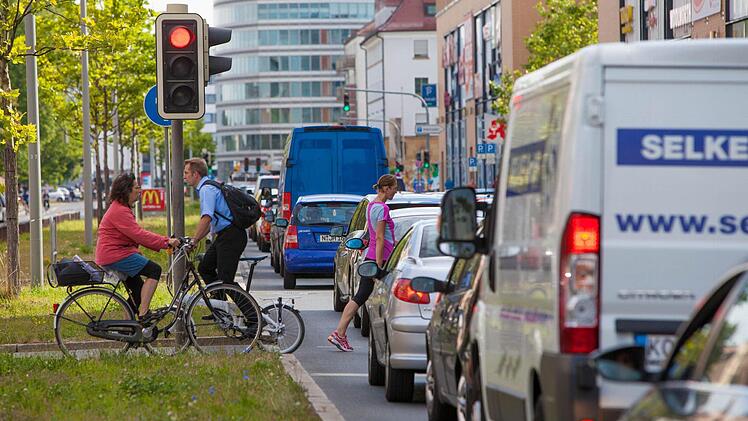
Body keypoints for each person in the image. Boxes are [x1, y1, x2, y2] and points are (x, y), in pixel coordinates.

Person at [95, 173, 179, 322]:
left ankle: (127, 329)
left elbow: (131, 236)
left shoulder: (120, 208)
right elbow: (138, 235)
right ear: (126, 190)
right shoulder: (119, 211)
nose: (140, 191)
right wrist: (166, 242)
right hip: (115, 255)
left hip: (115, 254)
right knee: (154, 270)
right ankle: (144, 314)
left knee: (138, 291)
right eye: (137, 187)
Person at [328, 174, 397, 352]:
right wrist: (380, 265)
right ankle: (339, 333)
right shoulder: (382, 209)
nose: (396, 191)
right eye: (394, 187)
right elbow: (380, 237)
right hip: (379, 259)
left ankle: (340, 333)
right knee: (371, 296)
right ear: (387, 188)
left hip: (372, 256)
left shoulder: (371, 205)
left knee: (361, 297)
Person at [183, 158, 247, 289]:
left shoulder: (206, 189)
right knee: (205, 268)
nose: (184, 176)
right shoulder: (207, 187)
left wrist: (194, 241)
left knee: (226, 281)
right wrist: (196, 239)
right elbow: (210, 221)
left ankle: (251, 310)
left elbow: (206, 217)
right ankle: (218, 306)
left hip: (231, 236)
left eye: (186, 173)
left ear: (196, 174)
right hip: (225, 235)